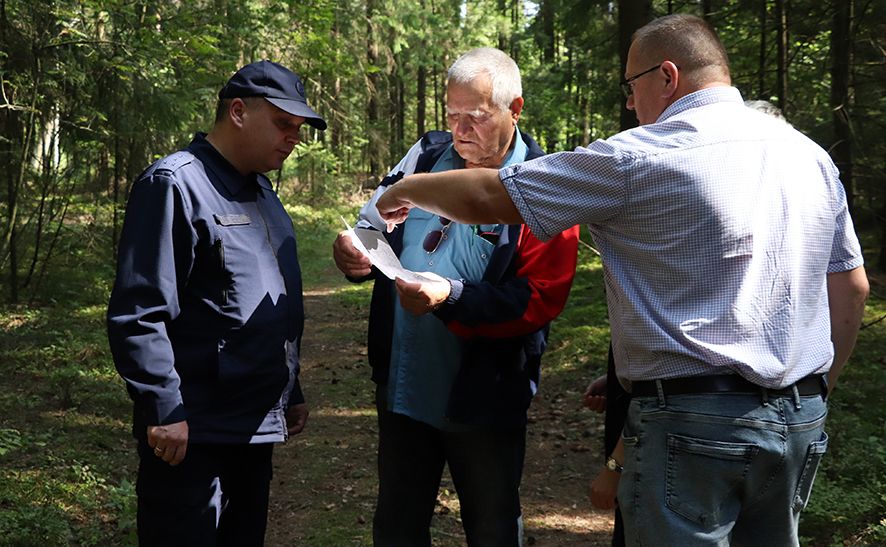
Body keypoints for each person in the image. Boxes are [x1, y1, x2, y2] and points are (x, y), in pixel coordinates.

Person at [374, 14, 869, 546]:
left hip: (687, 425)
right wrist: (809, 394)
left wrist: (400, 192)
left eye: (632, 87)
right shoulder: (808, 155)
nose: (631, 104)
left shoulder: (642, 155)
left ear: (668, 76)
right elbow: (851, 288)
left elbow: (489, 197)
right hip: (799, 421)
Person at [332, 47, 579, 545]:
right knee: (398, 524)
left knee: (491, 526)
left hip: (485, 393)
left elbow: (537, 300)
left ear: (516, 109)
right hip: (404, 384)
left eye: (477, 116)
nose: (462, 129)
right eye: (452, 114)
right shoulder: (425, 155)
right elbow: (371, 225)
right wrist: (355, 253)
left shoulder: (545, 187)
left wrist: (451, 296)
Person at [107, 60, 326, 546]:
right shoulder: (175, 185)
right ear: (239, 111)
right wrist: (164, 409)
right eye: (283, 123)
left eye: (299, 128)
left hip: (252, 427)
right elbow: (140, 312)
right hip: (192, 432)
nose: (294, 138)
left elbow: (269, 299)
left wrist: (290, 391)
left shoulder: (262, 192)